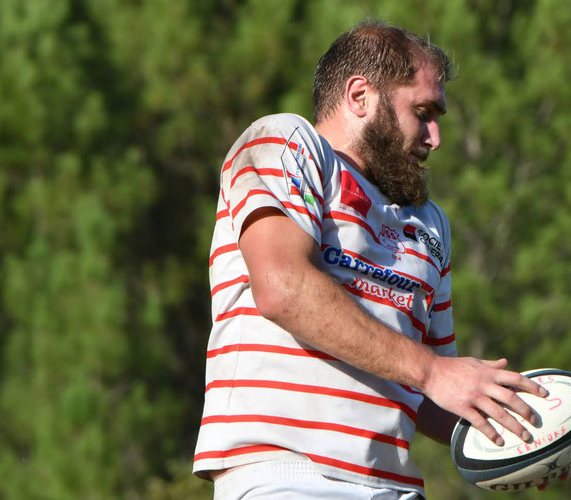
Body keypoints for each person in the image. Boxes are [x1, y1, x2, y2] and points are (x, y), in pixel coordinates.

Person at [193, 20, 549, 499]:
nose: (435, 137)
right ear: (360, 96)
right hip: (287, 476)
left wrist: (534, 434)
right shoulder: (285, 143)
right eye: (422, 112)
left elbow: (434, 397)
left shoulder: (430, 224)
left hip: (396, 488)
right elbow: (281, 286)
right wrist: (432, 372)